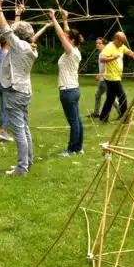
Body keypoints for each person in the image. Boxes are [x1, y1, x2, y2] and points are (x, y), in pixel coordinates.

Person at [0, 0, 38, 176]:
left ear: (18, 36)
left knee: (19, 131)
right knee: (25, 128)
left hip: (15, 92)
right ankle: (28, 162)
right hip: (24, 91)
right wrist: (18, 15)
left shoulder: (19, 46)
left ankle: (22, 168)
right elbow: (13, 31)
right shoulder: (28, 48)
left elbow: (6, 30)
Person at [48, 10, 86, 157]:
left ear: (71, 40)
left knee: (74, 121)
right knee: (77, 120)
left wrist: (53, 18)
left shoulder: (71, 51)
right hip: (73, 90)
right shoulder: (75, 50)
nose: (64, 37)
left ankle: (71, 150)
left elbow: (61, 35)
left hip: (68, 91)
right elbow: (66, 34)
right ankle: (79, 148)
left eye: (67, 37)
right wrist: (64, 19)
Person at [99, 32, 134, 123]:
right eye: (121, 41)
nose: (122, 44)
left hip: (116, 77)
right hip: (112, 77)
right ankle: (125, 118)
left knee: (110, 98)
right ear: (116, 39)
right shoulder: (109, 47)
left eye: (124, 42)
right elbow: (102, 59)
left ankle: (103, 118)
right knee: (122, 97)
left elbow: (133, 54)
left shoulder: (122, 47)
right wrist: (113, 57)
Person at [90, 37, 119, 119]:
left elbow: (107, 65)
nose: (97, 45)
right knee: (97, 95)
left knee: (111, 98)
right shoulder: (101, 53)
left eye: (99, 43)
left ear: (104, 44)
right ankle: (96, 113)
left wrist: (100, 74)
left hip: (106, 79)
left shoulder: (105, 53)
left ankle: (122, 112)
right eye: (96, 43)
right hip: (102, 80)